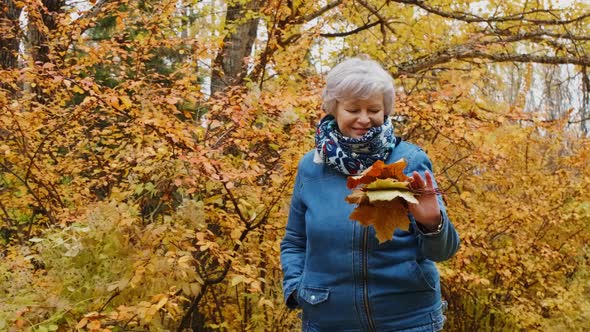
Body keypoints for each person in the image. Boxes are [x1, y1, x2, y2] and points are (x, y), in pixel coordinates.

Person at [280, 56, 460, 332]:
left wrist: (433, 224)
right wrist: (296, 289)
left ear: (385, 110)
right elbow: (294, 241)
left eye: (374, 110)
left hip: (408, 320)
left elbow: (443, 251)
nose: (364, 119)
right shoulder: (311, 168)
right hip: (329, 321)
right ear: (334, 109)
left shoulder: (409, 161)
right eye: (353, 109)